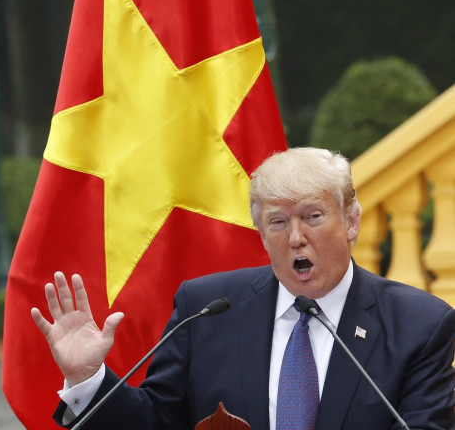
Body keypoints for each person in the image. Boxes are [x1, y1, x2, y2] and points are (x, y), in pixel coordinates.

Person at [31, 147, 455, 429]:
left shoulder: (419, 325)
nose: (296, 237)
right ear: (262, 234)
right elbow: (156, 422)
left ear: (351, 222)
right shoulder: (206, 309)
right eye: (278, 222)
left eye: (312, 216)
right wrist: (87, 378)